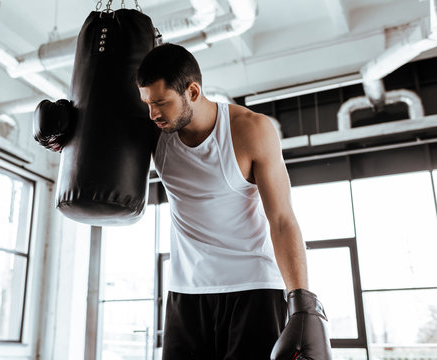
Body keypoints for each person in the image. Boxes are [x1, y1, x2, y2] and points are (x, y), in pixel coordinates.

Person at [136, 43, 331, 359]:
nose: (153, 113)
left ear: (194, 92)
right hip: (186, 291)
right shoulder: (156, 131)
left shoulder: (250, 130)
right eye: (146, 103)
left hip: (252, 288)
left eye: (160, 102)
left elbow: (281, 219)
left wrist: (302, 302)